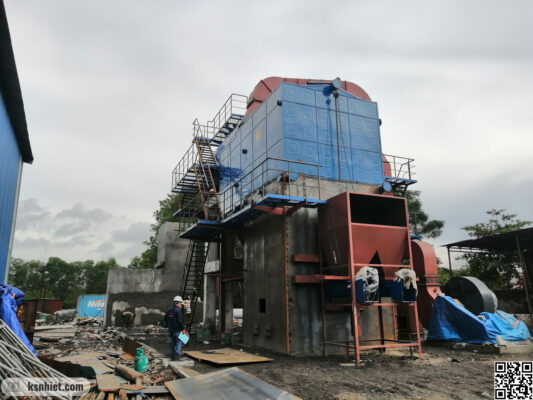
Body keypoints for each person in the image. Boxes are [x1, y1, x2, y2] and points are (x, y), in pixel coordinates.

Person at [164, 295, 185, 360]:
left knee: (173, 342)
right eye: (181, 303)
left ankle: (173, 355)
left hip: (171, 330)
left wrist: (168, 326)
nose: (181, 305)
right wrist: (183, 329)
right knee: (179, 341)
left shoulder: (169, 310)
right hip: (177, 330)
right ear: (178, 303)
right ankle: (178, 355)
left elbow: (165, 319)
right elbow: (179, 321)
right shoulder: (178, 310)